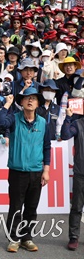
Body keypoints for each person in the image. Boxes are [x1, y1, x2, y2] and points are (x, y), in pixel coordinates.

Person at [0, 87, 51, 253]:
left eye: (34, 98)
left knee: (31, 208)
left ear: (38, 103)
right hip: (17, 171)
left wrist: (46, 170)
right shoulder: (13, 120)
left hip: (36, 171)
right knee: (16, 207)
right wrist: (7, 104)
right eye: (27, 98)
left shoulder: (43, 123)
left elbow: (47, 147)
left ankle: (27, 238)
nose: (30, 101)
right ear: (21, 102)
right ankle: (13, 238)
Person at [61, 107, 84, 251]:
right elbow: (65, 135)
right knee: (76, 206)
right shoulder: (78, 124)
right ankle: (74, 237)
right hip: (80, 172)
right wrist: (68, 118)